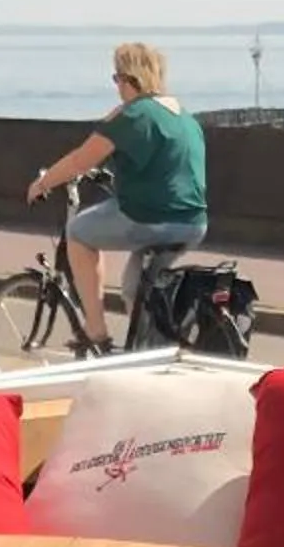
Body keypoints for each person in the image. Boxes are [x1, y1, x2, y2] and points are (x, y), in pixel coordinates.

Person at [25, 42, 207, 351]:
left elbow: (80, 161)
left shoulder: (135, 115)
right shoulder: (182, 115)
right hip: (192, 223)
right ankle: (153, 350)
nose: (116, 87)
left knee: (79, 233)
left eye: (116, 79)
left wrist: (43, 184)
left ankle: (95, 330)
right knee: (135, 286)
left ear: (128, 78)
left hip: (151, 218)